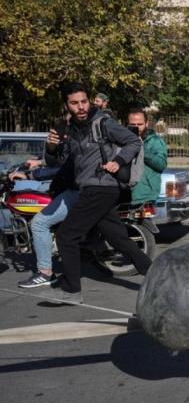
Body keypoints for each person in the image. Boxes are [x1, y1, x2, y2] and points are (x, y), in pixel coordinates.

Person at [44, 82, 151, 304]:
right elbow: (60, 162)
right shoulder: (70, 130)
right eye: (74, 103)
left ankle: (72, 290)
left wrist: (118, 161)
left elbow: (133, 142)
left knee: (66, 235)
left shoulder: (103, 123)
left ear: (89, 101)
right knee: (118, 238)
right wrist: (51, 147)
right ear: (67, 105)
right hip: (92, 188)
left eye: (84, 101)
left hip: (102, 187)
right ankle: (158, 275)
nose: (81, 107)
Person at [12, 126, 79, 289]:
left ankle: (45, 273)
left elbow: (62, 167)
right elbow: (57, 160)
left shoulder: (79, 137)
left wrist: (31, 175)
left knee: (39, 223)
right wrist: (43, 157)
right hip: (74, 187)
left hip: (76, 190)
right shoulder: (76, 135)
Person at [127, 109, 167, 205]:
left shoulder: (155, 141)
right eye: (133, 125)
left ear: (146, 124)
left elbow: (161, 164)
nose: (136, 127)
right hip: (125, 193)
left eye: (140, 124)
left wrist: (141, 149)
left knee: (145, 220)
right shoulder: (122, 140)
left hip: (145, 194)